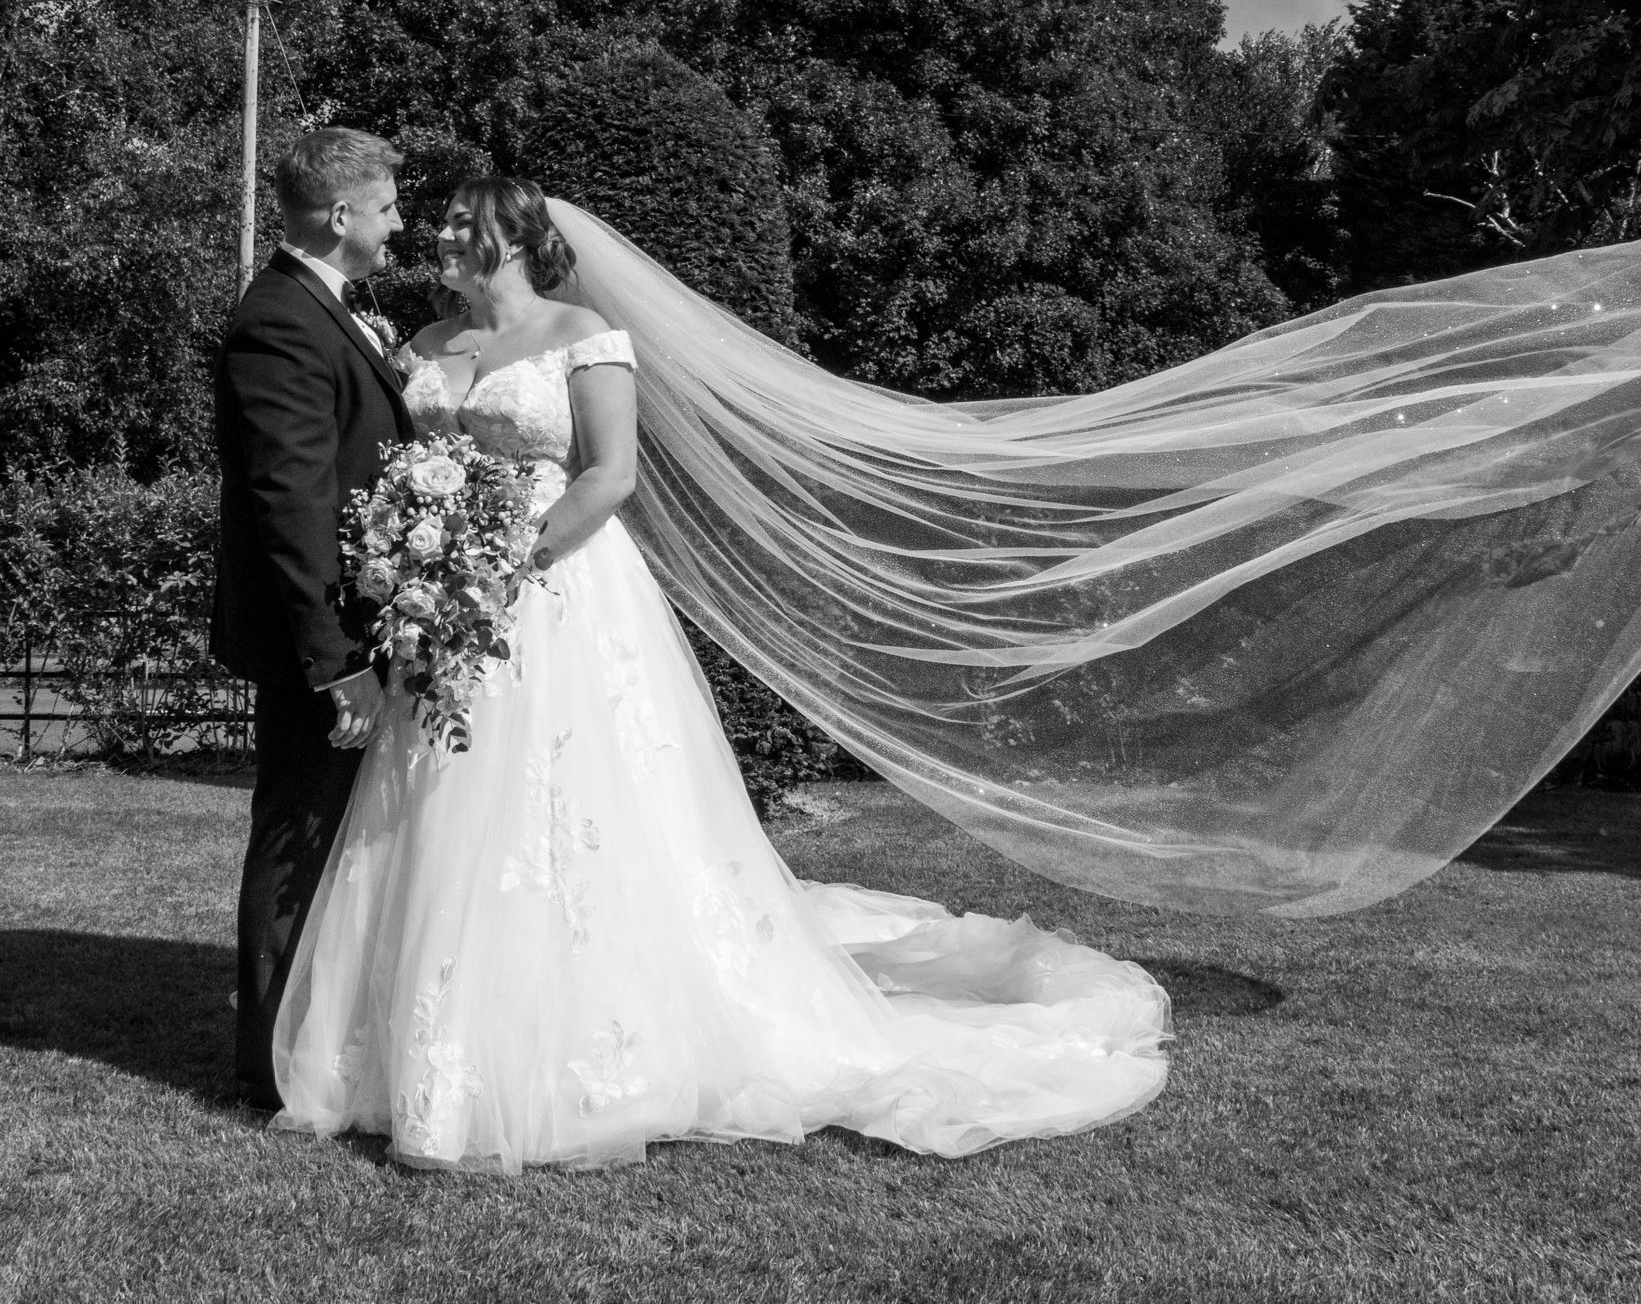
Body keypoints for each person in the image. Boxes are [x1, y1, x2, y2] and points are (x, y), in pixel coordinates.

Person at [269, 176, 1173, 1170]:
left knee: (562, 813)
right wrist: (419, 557)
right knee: (432, 804)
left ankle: (574, 1054)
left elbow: (610, 473)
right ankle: (409, 1058)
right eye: (434, 219)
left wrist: (508, 567)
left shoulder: (583, 334)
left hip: (557, 590)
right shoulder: (425, 349)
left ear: (515, 239)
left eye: (457, 222)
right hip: (443, 606)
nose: (437, 233)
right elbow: (398, 463)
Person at [212, 128, 414, 1111]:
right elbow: (290, 504)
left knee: (330, 836)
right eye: (386, 208)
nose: (398, 223)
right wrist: (335, 661)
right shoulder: (280, 322)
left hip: (355, 624)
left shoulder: (326, 311)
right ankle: (270, 1067)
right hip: (319, 639)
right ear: (341, 217)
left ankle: (312, 1037)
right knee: (297, 835)